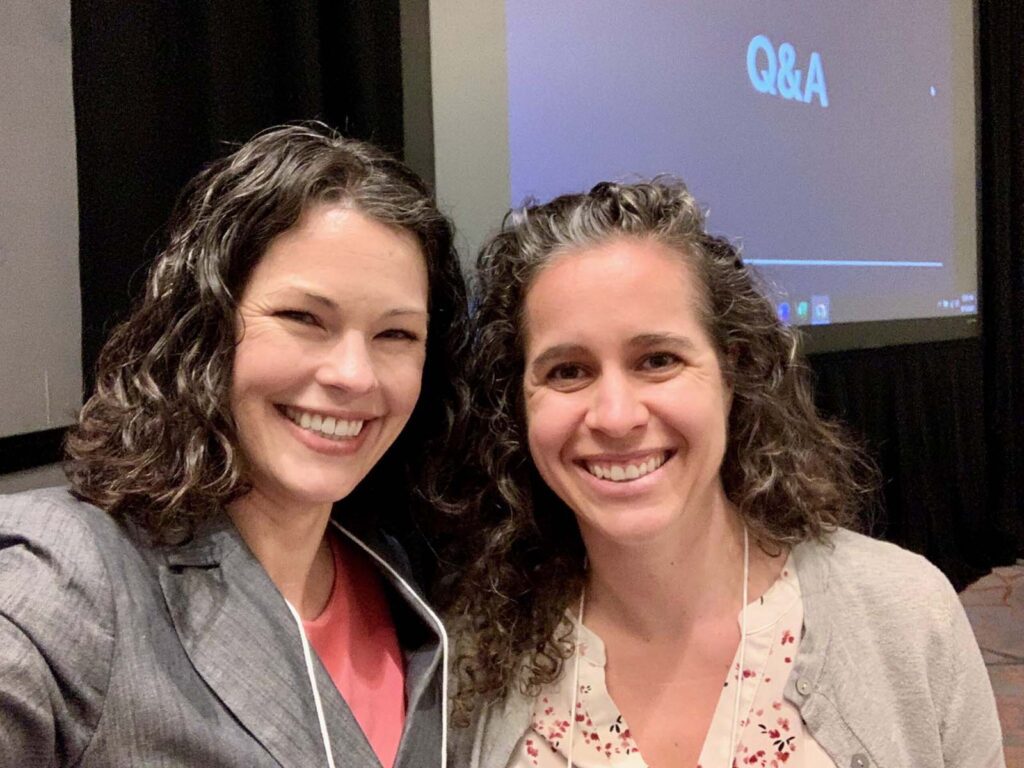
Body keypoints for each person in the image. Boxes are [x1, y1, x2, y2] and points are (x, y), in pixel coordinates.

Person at [442, 180, 1004, 767]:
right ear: (518, 404)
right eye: (567, 371)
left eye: (657, 360)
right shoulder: (471, 661)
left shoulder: (906, 614)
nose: (615, 416)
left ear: (732, 373)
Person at [0, 124, 467, 767]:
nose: (354, 375)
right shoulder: (71, 571)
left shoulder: (411, 576)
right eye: (305, 319)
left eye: (396, 335)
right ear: (207, 325)